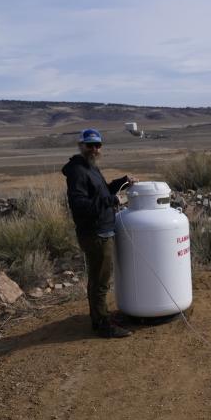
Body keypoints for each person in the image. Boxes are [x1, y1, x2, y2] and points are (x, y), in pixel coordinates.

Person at [62, 128, 136, 338]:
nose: (94, 149)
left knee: (99, 278)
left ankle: (99, 318)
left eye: (98, 145)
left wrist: (121, 182)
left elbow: (101, 191)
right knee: (100, 281)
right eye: (90, 145)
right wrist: (111, 201)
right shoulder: (78, 171)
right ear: (81, 145)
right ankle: (103, 325)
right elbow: (80, 205)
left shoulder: (90, 168)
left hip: (102, 230)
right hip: (95, 234)